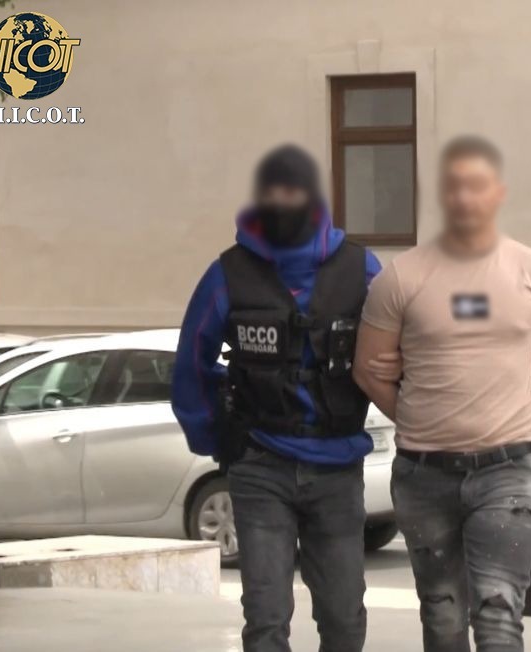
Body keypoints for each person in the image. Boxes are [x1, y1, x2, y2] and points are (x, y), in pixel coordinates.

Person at [353, 135, 531, 652]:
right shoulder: (401, 277)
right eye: (453, 186)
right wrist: (418, 418)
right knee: (442, 616)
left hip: (506, 473)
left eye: (476, 186)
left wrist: (525, 418)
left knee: (499, 617)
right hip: (423, 476)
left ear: (497, 193)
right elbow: (369, 370)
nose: (464, 197)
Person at [171, 144, 381, 652]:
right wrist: (217, 440)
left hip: (337, 467)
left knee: (344, 617)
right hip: (261, 464)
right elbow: (191, 362)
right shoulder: (228, 274)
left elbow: (401, 351)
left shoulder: (362, 269)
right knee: (266, 618)